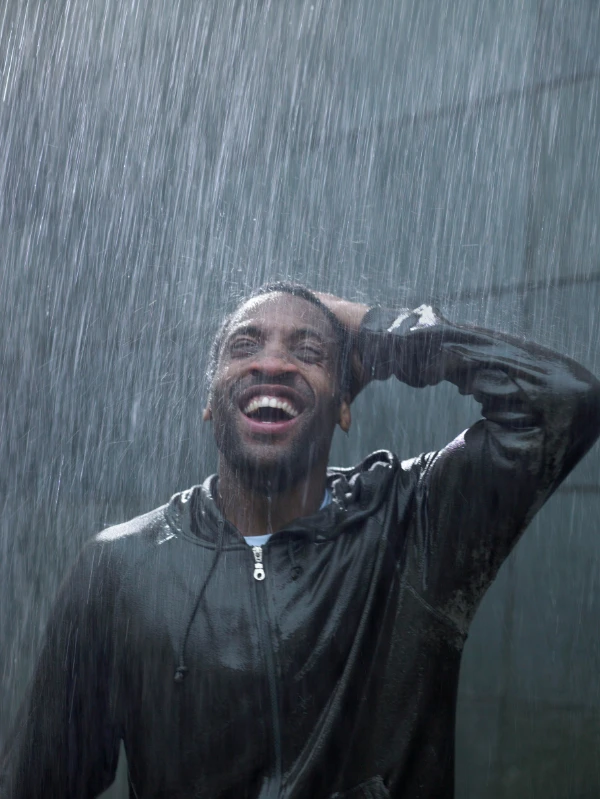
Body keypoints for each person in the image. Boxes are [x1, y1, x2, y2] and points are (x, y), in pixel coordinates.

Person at [2, 282, 599, 799]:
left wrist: (384, 332)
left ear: (345, 403)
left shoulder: (413, 523)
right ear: (211, 401)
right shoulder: (119, 568)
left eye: (309, 351)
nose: (273, 364)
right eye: (244, 346)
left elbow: (562, 402)